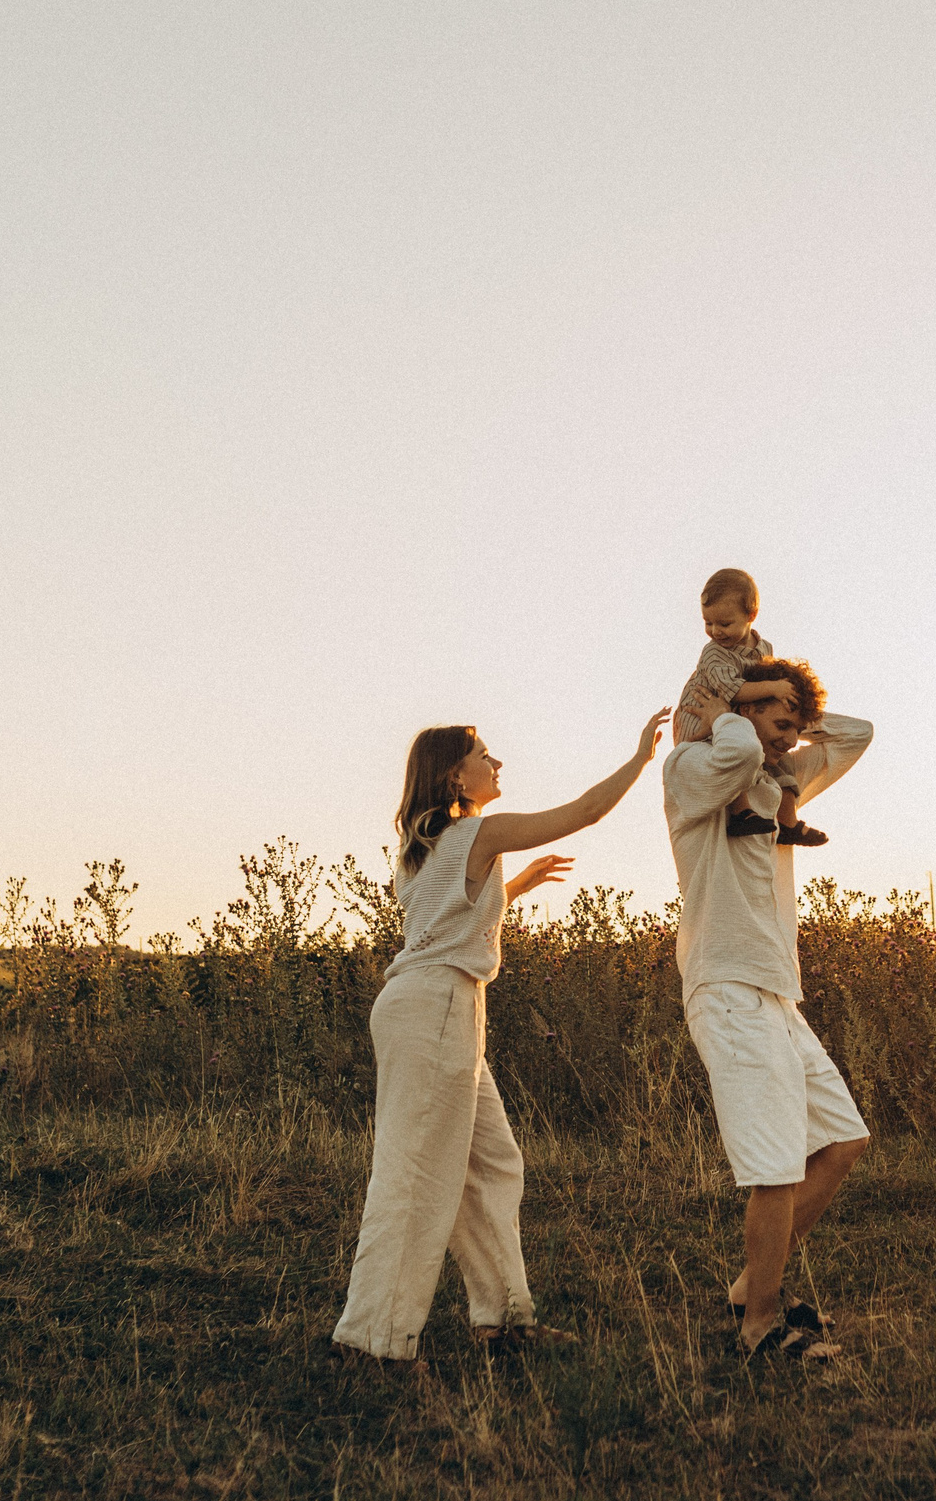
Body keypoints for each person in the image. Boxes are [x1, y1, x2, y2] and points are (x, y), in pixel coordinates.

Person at [331, 708, 669, 1366]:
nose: (497, 762)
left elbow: (446, 914)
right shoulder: (475, 833)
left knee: (492, 1164)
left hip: (434, 1005)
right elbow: (588, 810)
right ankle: (370, 1341)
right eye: (486, 753)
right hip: (436, 1009)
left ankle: (505, 1320)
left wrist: (515, 887)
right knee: (415, 1174)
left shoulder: (428, 845)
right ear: (455, 771)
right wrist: (640, 758)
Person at [667, 657, 873, 1361]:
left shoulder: (774, 776)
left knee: (844, 1140)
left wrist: (793, 715)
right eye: (773, 714)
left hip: (778, 993)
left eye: (793, 720)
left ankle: (751, 1283)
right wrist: (733, 706)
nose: (786, 734)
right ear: (740, 706)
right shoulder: (692, 771)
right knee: (776, 1168)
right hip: (726, 988)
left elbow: (856, 735)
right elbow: (739, 746)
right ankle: (760, 1324)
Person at [676, 567, 829, 847]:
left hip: (736, 717)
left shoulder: (764, 648)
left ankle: (788, 821)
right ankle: (740, 811)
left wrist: (791, 708)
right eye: (707, 622)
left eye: (724, 623)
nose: (714, 631)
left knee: (780, 756)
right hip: (701, 719)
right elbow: (732, 689)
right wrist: (774, 688)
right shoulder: (713, 653)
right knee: (736, 752)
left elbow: (762, 685)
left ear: (751, 616)